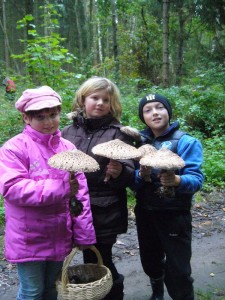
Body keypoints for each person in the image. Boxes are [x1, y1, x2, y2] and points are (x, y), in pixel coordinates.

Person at [0, 86, 96, 300]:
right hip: (28, 237)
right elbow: (12, 188)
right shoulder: (14, 148)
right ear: (26, 117)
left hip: (59, 233)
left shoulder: (68, 148)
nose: (49, 122)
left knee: (53, 287)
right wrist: (61, 188)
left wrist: (83, 233)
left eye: (53, 115)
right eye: (40, 117)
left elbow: (80, 196)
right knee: (32, 291)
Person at [61, 76, 135, 299]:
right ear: (83, 99)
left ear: (113, 104)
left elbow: (130, 175)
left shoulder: (119, 133)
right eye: (95, 97)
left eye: (106, 99)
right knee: (74, 259)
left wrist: (120, 172)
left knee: (100, 259)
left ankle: (113, 294)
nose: (100, 103)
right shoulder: (66, 131)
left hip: (104, 210)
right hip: (73, 207)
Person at [134, 93, 204, 300]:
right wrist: (140, 175)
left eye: (159, 107)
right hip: (146, 212)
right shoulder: (140, 143)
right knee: (150, 260)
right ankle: (157, 292)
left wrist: (178, 181)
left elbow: (196, 179)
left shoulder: (185, 142)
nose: (154, 113)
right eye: (147, 110)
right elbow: (134, 183)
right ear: (143, 117)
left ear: (168, 112)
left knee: (178, 268)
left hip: (174, 214)